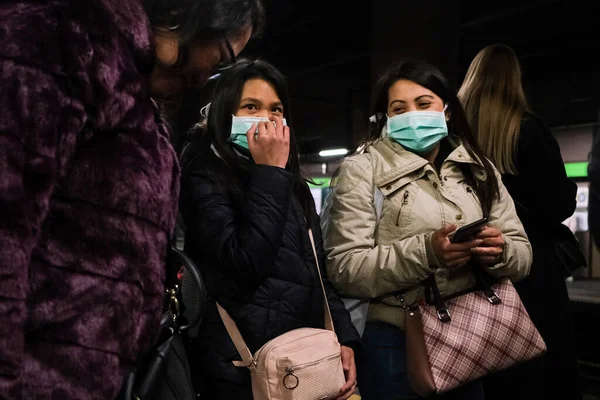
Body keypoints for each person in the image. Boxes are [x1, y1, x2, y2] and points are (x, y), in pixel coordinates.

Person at [0, 0, 265, 399]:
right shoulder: (67, 36)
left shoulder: (137, 84)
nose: (212, 71)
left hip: (89, 376)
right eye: (224, 55)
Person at [322, 59, 532, 400]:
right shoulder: (362, 170)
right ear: (386, 118)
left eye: (423, 104)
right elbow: (347, 269)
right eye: (399, 108)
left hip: (468, 333)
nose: (412, 116)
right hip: (396, 341)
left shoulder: (478, 168)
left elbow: (523, 255)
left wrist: (500, 250)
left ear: (446, 110)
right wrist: (428, 252)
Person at [178, 57, 362, 399]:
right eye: (251, 106)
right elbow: (246, 262)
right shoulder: (203, 173)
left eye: (276, 110)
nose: (267, 118)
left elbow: (317, 270)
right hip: (242, 366)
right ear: (224, 114)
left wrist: (345, 337)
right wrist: (271, 173)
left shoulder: (291, 183)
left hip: (306, 360)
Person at [458, 43, 581, 400]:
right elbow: (557, 204)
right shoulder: (527, 129)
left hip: (469, 261)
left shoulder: (455, 132)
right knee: (539, 368)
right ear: (515, 79)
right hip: (530, 267)